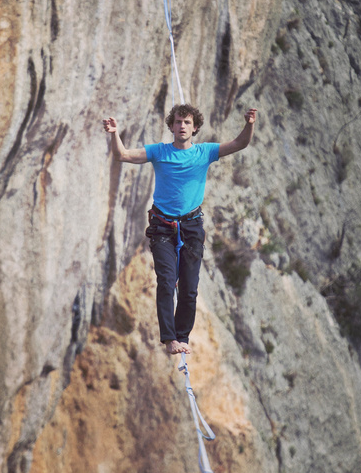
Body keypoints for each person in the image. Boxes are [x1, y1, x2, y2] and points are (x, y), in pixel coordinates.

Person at [103, 104, 257, 355]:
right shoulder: (159, 152)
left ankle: (182, 335)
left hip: (192, 227)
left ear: (195, 127)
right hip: (163, 227)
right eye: (177, 122)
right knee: (166, 281)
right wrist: (114, 133)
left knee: (189, 288)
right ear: (171, 127)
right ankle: (169, 338)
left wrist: (249, 124)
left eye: (186, 122)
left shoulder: (205, 152)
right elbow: (123, 155)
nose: (182, 126)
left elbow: (240, 143)